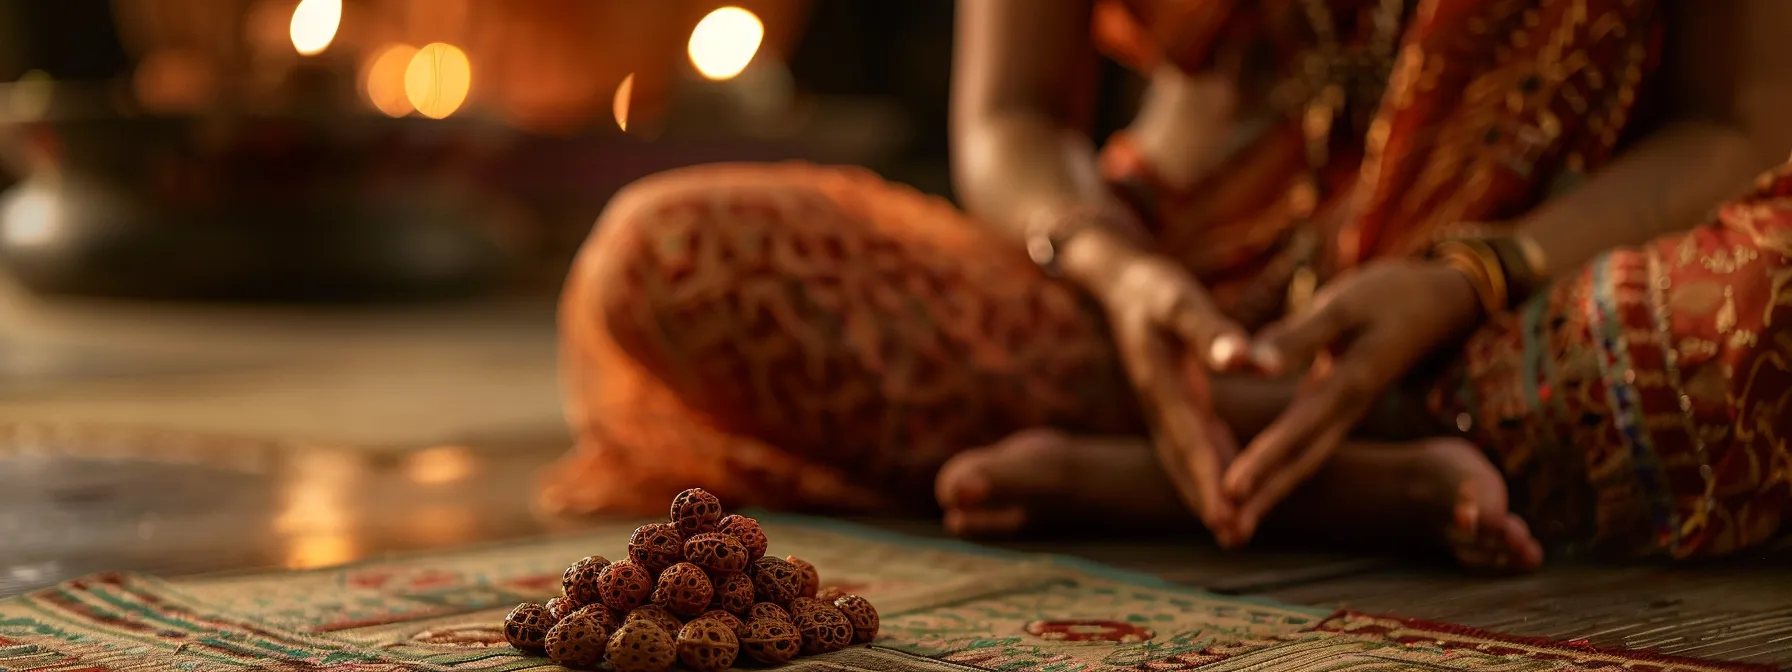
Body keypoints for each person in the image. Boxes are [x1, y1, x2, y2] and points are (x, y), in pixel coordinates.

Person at [541, 0, 1792, 571]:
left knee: (1766, 306)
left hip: (1516, 302)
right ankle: (1317, 465)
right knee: (675, 254)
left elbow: (1739, 121)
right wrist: (1115, 274)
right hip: (1145, 293)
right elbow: (1012, 118)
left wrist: (1471, 274)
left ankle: (1151, 468)